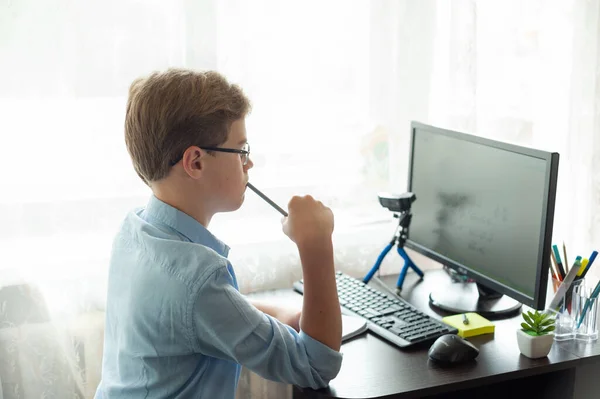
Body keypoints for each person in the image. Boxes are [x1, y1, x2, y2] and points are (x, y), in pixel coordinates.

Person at [95, 68, 342, 398]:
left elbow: (199, 313)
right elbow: (315, 366)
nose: (248, 163)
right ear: (195, 162)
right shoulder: (197, 280)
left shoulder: (135, 230)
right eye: (241, 150)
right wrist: (317, 243)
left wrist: (278, 317)